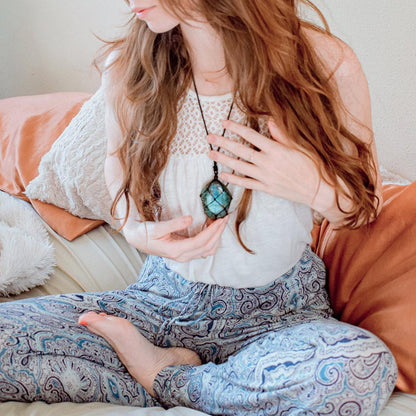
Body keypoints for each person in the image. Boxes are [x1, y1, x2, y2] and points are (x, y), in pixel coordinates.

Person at [0, 0, 397, 414]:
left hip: (283, 316)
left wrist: (310, 185)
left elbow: (364, 206)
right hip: (159, 305)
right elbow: (116, 163)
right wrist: (134, 229)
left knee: (360, 368)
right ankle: (221, 387)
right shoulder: (130, 66)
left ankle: (164, 377)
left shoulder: (323, 62)